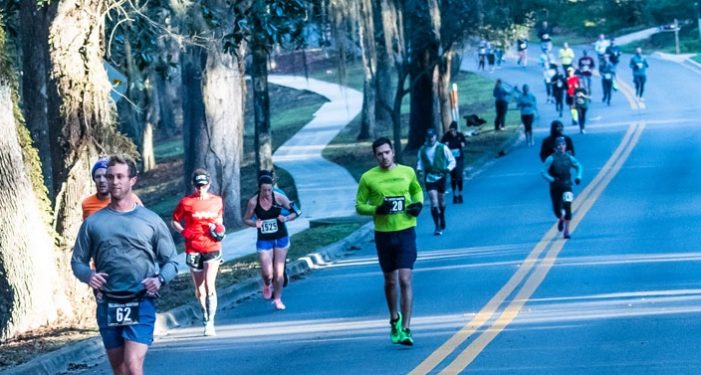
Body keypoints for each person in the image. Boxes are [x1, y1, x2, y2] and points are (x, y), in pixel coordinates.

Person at [71, 154, 179, 375]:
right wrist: (88, 275)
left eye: (120, 176)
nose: (114, 181)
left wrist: (159, 279)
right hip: (108, 303)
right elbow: (77, 261)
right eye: (110, 177)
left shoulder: (151, 220)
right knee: (120, 370)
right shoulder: (93, 223)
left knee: (132, 363)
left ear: (132, 180)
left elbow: (172, 260)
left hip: (141, 301)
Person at [355, 137, 423, 346]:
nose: (384, 157)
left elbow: (416, 190)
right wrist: (376, 209)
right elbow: (359, 205)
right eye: (379, 154)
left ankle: (407, 328)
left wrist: (418, 204)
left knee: (405, 279)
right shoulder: (368, 178)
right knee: (390, 280)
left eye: (387, 152)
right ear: (375, 156)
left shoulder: (407, 172)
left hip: (406, 231)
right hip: (384, 234)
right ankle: (394, 318)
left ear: (393, 152)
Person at [171, 169, 225, 336]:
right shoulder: (186, 202)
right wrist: (183, 232)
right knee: (200, 290)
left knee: (210, 286)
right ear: (193, 185)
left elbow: (220, 220)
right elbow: (174, 220)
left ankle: (210, 322)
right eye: (198, 186)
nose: (201, 189)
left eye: (203, 185)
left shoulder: (217, 201)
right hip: (193, 248)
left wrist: (220, 230)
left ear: (209, 184)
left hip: (212, 247)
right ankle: (205, 314)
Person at [243, 171, 300, 311]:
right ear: (259, 188)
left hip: (281, 237)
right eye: (264, 190)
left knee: (279, 272)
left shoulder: (279, 197)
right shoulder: (253, 202)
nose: (267, 193)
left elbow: (297, 211)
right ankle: (267, 284)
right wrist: (254, 223)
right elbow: (246, 219)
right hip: (264, 240)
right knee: (268, 273)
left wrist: (286, 218)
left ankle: (277, 298)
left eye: (269, 190)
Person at [541, 137, 583, 239]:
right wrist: (551, 179)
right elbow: (543, 172)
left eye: (563, 144)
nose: (561, 146)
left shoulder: (569, 158)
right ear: (555, 147)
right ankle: (561, 218)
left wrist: (578, 176)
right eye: (559, 145)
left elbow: (579, 166)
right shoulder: (550, 159)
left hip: (567, 185)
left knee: (568, 206)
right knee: (557, 209)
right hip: (556, 186)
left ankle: (567, 231)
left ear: (565, 146)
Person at [417, 128, 455, 235]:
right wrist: (419, 170)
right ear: (426, 138)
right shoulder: (422, 150)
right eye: (428, 137)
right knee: (434, 201)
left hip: (441, 177)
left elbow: (452, 161)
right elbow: (420, 162)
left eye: (432, 136)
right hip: (429, 178)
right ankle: (437, 226)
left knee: (441, 201)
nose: (430, 139)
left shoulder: (442, 148)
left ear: (435, 137)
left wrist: (447, 169)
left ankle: (442, 215)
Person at [441, 122, 467, 203]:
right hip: (450, 160)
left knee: (459, 176)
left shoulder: (460, 135)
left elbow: (464, 143)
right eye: (450, 131)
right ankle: (454, 195)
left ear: (456, 130)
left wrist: (463, 144)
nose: (451, 132)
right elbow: (441, 145)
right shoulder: (446, 136)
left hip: (459, 159)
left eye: (453, 131)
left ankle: (460, 194)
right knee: (453, 177)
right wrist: (445, 145)